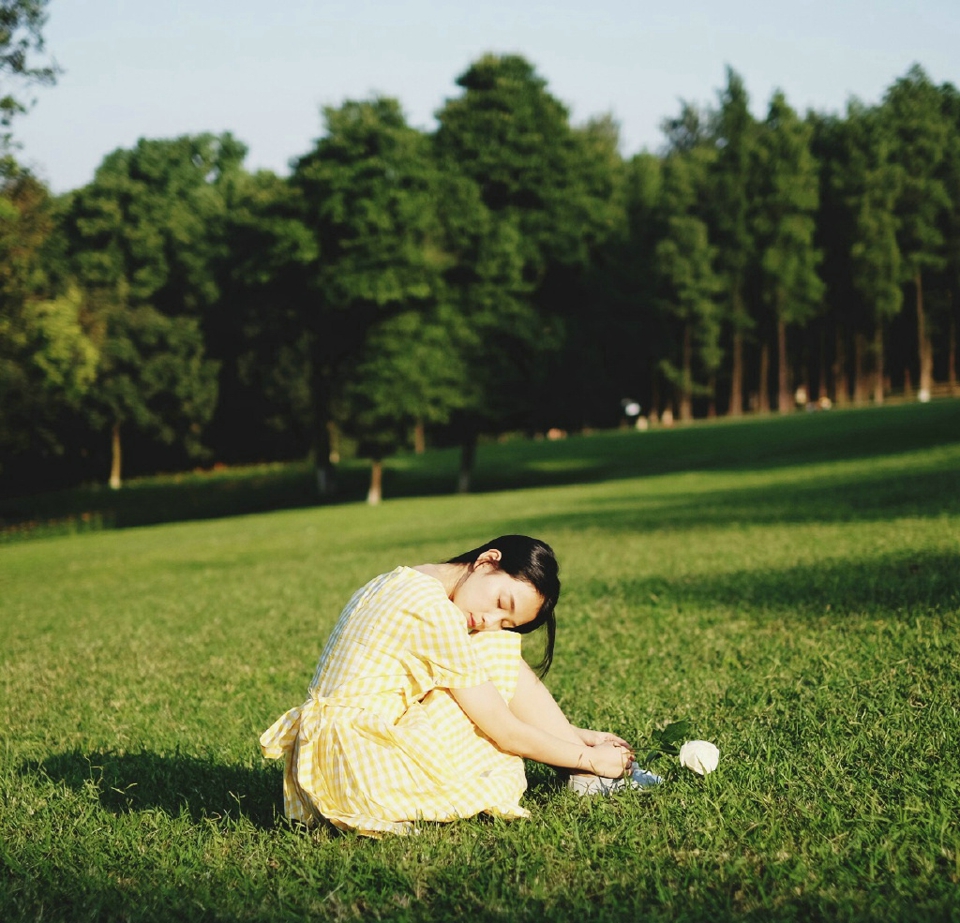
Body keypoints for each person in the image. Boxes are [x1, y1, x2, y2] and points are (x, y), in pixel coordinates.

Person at [260, 534, 657, 836]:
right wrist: (587, 757)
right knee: (497, 651)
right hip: (363, 770)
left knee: (488, 650)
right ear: (487, 561)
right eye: (502, 603)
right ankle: (587, 776)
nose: (490, 619)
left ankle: (579, 764)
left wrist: (579, 737)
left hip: (328, 766)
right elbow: (503, 729)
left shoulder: (404, 580)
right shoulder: (434, 612)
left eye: (508, 620)